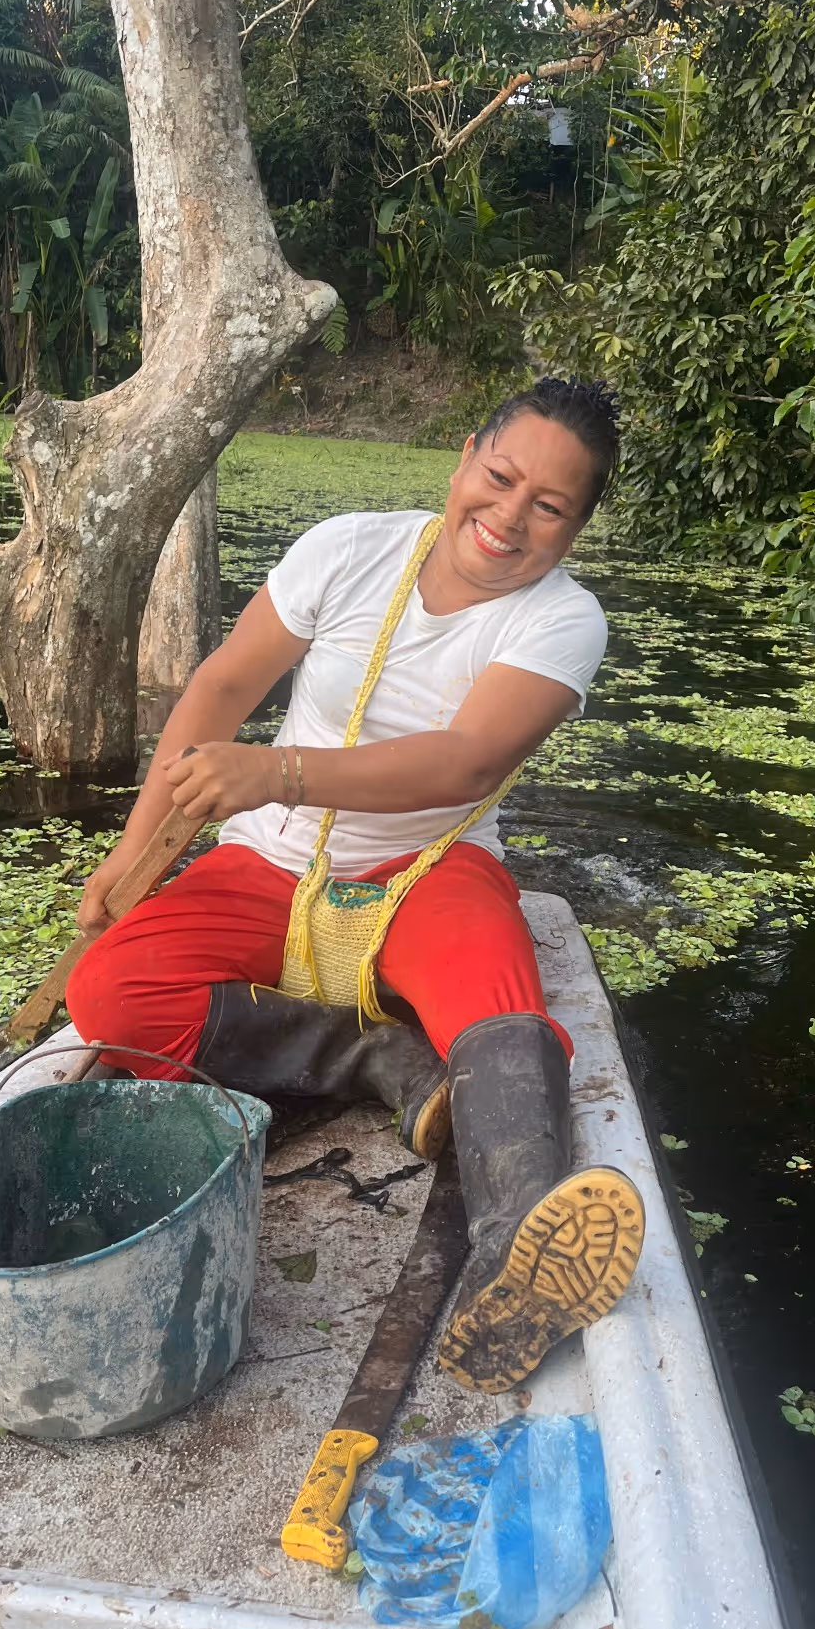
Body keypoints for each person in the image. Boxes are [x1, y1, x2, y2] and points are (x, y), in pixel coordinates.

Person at [68, 376, 644, 1393]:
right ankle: (371, 1057)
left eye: (550, 506)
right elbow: (223, 685)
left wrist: (277, 771)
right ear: (465, 456)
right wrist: (133, 847)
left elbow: (466, 761)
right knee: (109, 992)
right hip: (269, 861)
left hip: (429, 868)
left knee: (499, 1009)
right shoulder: (347, 549)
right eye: (500, 477)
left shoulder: (565, 621)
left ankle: (516, 1253)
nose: (510, 516)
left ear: (577, 527)